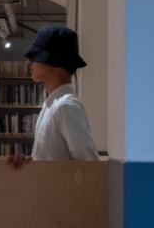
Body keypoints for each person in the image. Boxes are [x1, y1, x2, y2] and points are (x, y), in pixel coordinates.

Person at [10, 25, 98, 165]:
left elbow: (89, 165)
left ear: (53, 62)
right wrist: (31, 163)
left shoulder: (65, 106)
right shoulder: (51, 104)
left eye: (35, 57)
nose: (30, 63)